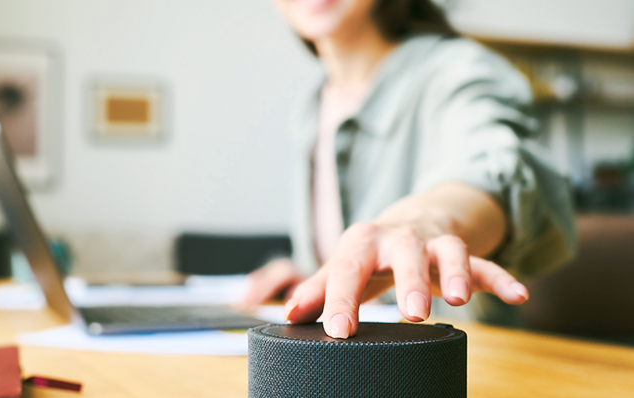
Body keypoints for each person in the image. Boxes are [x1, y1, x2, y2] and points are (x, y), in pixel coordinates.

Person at [241, 0, 575, 338]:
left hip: (465, 362)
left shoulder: (459, 70)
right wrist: (308, 272)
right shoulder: (311, 107)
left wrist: (423, 224)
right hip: (342, 364)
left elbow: (490, 168)